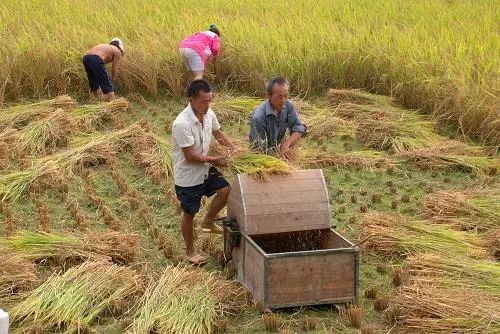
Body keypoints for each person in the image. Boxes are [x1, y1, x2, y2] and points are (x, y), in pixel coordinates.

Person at [172, 79, 236, 265]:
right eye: (203, 101)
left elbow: (218, 133)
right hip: (189, 176)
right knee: (189, 214)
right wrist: (215, 160)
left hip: (206, 169)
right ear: (191, 99)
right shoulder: (182, 123)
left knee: (226, 191)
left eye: (209, 100)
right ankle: (190, 251)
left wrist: (233, 149)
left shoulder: (209, 114)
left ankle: (208, 221)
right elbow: (191, 156)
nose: (207, 105)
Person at [249, 76, 306, 159]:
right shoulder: (258, 117)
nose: (283, 100)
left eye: (285, 96)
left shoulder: (288, 105)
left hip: (278, 148)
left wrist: (286, 144)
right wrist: (278, 157)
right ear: (269, 95)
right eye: (279, 96)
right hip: (263, 155)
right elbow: (259, 150)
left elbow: (299, 128)